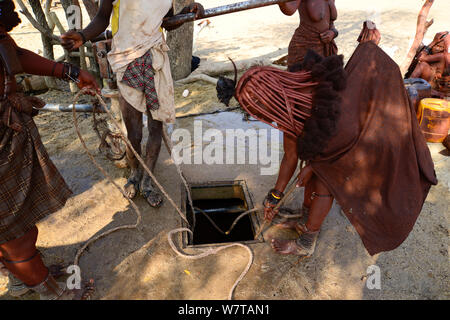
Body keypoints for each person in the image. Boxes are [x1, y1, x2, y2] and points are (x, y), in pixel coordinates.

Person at [245, 22, 437, 257]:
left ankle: (307, 241)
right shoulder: (290, 105)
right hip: (338, 132)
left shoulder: (306, 88)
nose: (261, 113)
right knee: (314, 167)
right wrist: (274, 195)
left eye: (259, 106)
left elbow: (336, 141)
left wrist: (315, 167)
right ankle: (306, 218)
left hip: (360, 131)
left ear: (272, 92)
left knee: (326, 177)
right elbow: (292, 155)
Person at [0, 0, 99, 299]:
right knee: (15, 232)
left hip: (7, 132)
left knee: (20, 222)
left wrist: (68, 71)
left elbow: (11, 53)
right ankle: (51, 292)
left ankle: (23, 274)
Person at [61, 0, 204, 208]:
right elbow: (102, 18)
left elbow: (166, 21)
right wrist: (82, 36)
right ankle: (135, 173)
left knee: (156, 127)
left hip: (155, 60)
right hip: (126, 62)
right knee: (134, 132)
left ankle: (148, 181)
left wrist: (186, 12)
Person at [279, 0, 338, 71]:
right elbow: (289, 10)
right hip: (304, 48)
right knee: (302, 78)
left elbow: (331, 23)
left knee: (325, 78)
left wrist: (333, 33)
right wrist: (281, 3)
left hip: (325, 49)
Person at [409, 31, 450, 95]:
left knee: (423, 65)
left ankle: (409, 83)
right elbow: (418, 57)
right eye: (436, 45)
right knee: (418, 59)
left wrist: (433, 42)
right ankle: (410, 83)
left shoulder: (441, 55)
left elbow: (421, 58)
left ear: (444, 48)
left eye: (441, 47)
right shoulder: (431, 52)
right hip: (427, 82)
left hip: (432, 85)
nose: (437, 49)